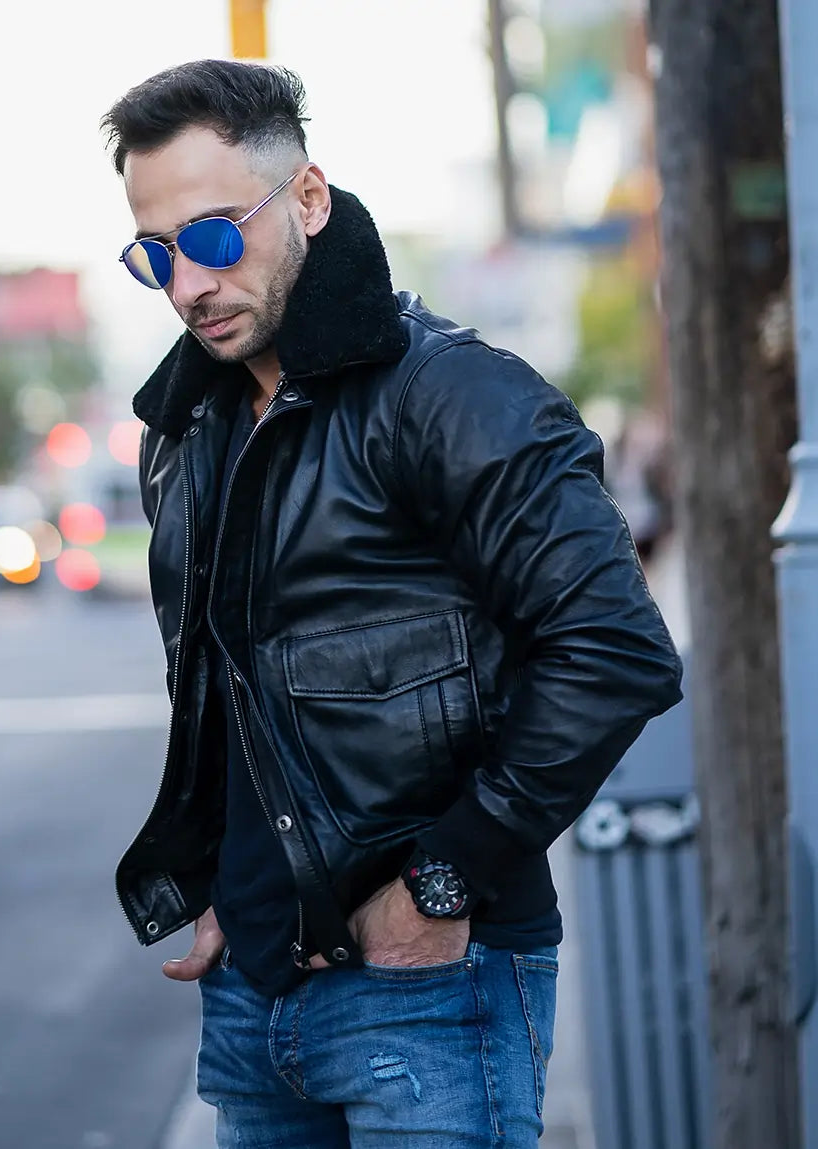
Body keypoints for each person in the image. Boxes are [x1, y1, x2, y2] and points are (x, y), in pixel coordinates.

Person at [102, 59, 683, 1148]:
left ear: (308, 199)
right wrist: (225, 883)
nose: (189, 284)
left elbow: (614, 650)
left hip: (432, 984)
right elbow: (234, 691)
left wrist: (443, 879)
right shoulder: (185, 433)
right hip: (252, 990)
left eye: (217, 236)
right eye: (156, 254)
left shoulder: (453, 394)